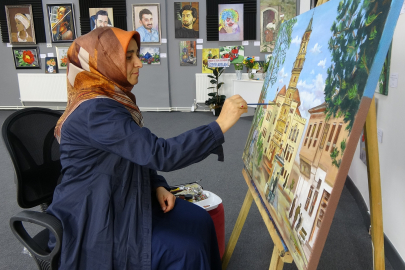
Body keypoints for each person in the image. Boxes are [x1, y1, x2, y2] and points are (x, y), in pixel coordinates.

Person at [47, 27, 248, 269]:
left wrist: (157, 184)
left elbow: (131, 153)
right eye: (128, 57)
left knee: (200, 220)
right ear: (106, 62)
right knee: (186, 251)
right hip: (98, 217)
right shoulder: (95, 111)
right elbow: (159, 153)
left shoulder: (109, 99)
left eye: (137, 55)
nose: (139, 63)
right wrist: (220, 125)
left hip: (121, 194)